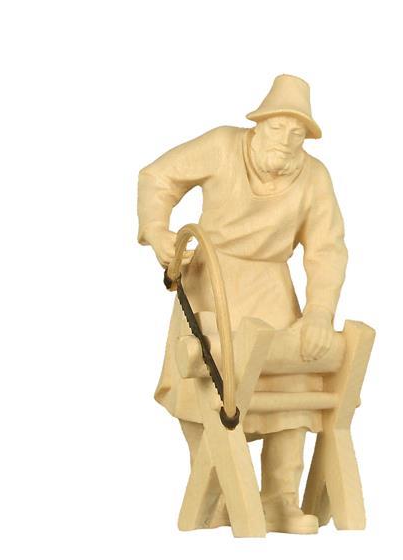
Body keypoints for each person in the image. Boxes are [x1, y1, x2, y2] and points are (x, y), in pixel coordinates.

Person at [137, 74, 348, 534]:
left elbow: (326, 250)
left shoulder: (314, 177)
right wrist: (157, 231)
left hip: (272, 287)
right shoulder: (221, 146)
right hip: (211, 281)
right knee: (205, 384)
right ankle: (214, 493)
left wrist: (319, 312)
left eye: (297, 133)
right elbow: (158, 176)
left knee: (291, 384)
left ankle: (280, 499)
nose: (286, 140)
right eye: (278, 127)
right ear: (259, 123)